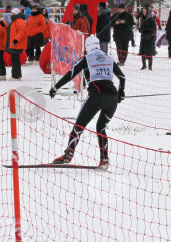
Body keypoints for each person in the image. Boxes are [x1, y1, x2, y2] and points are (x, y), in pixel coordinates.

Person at [48, 36, 126, 168]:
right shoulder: (109, 58)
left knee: (78, 127)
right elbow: (122, 77)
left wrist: (55, 87)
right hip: (112, 99)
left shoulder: (86, 59)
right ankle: (104, 160)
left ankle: (68, 155)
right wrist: (121, 93)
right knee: (101, 128)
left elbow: (70, 74)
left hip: (96, 97)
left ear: (87, 48)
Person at [6, 7, 28, 80]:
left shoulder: (19, 21)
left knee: (15, 60)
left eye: (12, 13)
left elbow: (21, 32)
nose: (11, 15)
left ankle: (15, 76)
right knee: (16, 59)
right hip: (15, 43)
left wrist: (16, 40)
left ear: (15, 14)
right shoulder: (15, 21)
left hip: (16, 44)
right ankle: (18, 75)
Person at [138, 4, 157, 70]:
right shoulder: (142, 19)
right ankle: (144, 65)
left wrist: (145, 29)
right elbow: (141, 28)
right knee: (142, 52)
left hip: (149, 38)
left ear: (148, 11)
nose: (144, 12)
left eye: (145, 11)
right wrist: (139, 29)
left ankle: (150, 66)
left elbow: (153, 29)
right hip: (143, 37)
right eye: (143, 11)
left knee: (149, 53)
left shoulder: (151, 19)